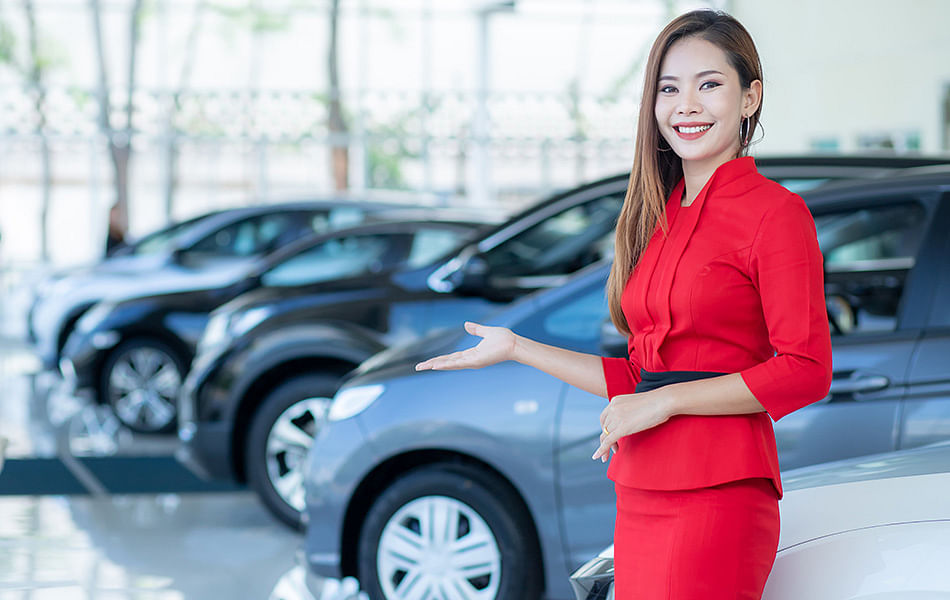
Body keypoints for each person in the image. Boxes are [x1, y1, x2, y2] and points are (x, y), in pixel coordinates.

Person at [416, 9, 832, 600]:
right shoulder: (656, 218)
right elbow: (641, 378)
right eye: (669, 88)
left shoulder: (777, 214)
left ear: (749, 98)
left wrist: (662, 404)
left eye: (709, 84)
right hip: (640, 487)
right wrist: (517, 348)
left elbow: (806, 370)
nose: (686, 104)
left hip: (718, 494)